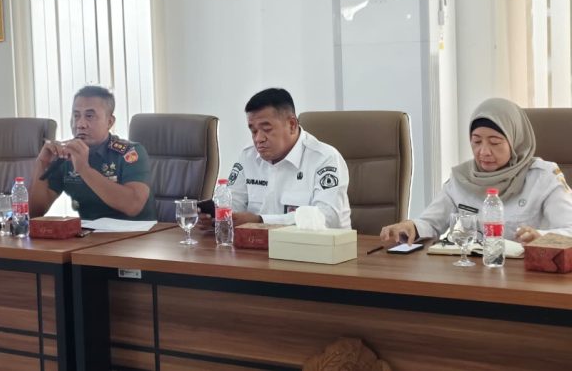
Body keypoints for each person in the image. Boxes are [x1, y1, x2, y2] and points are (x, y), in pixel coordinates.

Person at [380, 97, 572, 245]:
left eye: (495, 142)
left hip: (526, 274)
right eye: (476, 141)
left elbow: (569, 229)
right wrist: (410, 226)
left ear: (515, 141)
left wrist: (541, 237)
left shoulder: (543, 177)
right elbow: (431, 223)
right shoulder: (463, 178)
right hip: (473, 272)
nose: (484, 151)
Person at [204, 88, 351, 228]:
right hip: (254, 243)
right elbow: (233, 204)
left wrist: (261, 221)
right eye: (253, 131)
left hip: (311, 245)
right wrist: (215, 218)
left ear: (292, 125)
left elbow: (328, 217)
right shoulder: (247, 156)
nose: (258, 139)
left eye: (266, 129)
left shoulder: (325, 159)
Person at [29, 86, 156, 220]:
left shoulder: (130, 152)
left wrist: (84, 169)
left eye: (89, 116)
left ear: (109, 122)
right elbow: (34, 212)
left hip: (134, 231)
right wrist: (41, 163)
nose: (80, 124)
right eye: (76, 116)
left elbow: (133, 205)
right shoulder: (65, 156)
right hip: (87, 232)